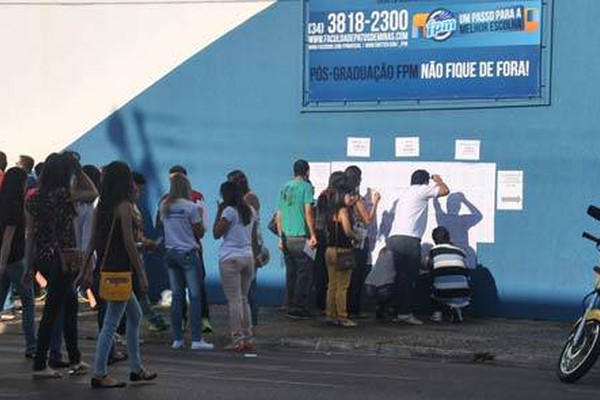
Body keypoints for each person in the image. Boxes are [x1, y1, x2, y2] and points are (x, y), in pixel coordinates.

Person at [77, 161, 157, 388]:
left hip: (106, 271)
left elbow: (91, 242)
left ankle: (136, 368)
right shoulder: (124, 207)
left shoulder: (100, 207)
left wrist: (84, 271)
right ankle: (100, 373)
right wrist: (141, 274)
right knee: (111, 323)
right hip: (121, 272)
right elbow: (130, 244)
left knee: (135, 315)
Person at [25, 152, 97, 378]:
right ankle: (40, 364)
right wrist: (78, 169)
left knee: (69, 306)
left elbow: (30, 234)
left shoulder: (32, 198)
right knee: (52, 311)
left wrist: (29, 266)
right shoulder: (65, 194)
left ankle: (75, 358)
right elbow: (93, 192)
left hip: (42, 257)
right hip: (64, 258)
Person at [386, 170, 449, 325]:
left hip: (394, 238)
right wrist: (438, 180)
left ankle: (396, 311)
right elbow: (445, 191)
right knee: (409, 277)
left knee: (399, 277)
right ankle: (405, 313)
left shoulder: (407, 193)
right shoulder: (422, 189)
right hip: (408, 239)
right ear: (425, 181)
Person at [160, 173, 213, 351]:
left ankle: (177, 339)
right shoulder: (191, 207)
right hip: (188, 254)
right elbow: (200, 232)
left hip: (170, 253)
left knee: (177, 296)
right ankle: (197, 338)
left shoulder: (164, 206)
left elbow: (162, 226)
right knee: (195, 296)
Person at [213, 181, 258, 351]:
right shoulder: (251, 211)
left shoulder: (228, 211)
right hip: (248, 257)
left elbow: (216, 233)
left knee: (234, 301)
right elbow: (253, 237)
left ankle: (237, 339)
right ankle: (248, 337)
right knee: (244, 299)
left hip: (230, 258)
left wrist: (219, 211)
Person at [0, 167, 36, 357]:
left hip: (6, 261)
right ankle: (32, 346)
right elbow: (8, 238)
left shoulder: (3, 202)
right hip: (14, 261)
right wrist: (2, 264)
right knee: (28, 304)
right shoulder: (14, 206)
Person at [276, 159, 317, 319]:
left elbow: (278, 215)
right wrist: (313, 234)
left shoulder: (285, 187)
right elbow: (308, 212)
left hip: (286, 237)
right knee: (304, 273)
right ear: (307, 171)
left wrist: (280, 237)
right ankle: (299, 307)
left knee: (291, 272)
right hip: (302, 237)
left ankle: (288, 303)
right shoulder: (306, 187)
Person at [320, 180, 360, 327]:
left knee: (332, 285)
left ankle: (330, 315)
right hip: (343, 251)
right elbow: (348, 231)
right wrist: (357, 237)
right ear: (343, 196)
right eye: (349, 196)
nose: (351, 198)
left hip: (329, 250)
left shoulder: (330, 211)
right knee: (343, 286)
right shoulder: (343, 211)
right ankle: (342, 317)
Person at [132, 171, 168, 332]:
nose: (140, 194)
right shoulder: (129, 209)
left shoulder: (132, 207)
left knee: (139, 295)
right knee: (138, 293)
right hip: (133, 259)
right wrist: (148, 243)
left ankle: (154, 319)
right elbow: (132, 239)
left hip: (137, 257)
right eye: (138, 190)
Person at [344, 166, 381, 318]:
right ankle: (353, 309)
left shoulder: (343, 197)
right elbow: (367, 220)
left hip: (345, 240)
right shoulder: (357, 199)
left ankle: (343, 309)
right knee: (357, 277)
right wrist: (375, 203)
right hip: (358, 241)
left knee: (345, 278)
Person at [227, 169, 261, 327]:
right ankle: (245, 321)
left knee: (248, 288)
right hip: (244, 244)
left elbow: (250, 226)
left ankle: (251, 321)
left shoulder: (250, 199)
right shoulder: (239, 202)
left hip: (250, 244)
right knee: (241, 290)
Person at [427, 226, 471, 323]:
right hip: (464, 293)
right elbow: (466, 270)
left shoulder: (433, 251)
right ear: (449, 237)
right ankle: (456, 310)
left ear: (434, 240)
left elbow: (428, 266)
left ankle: (437, 314)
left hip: (442, 293)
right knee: (453, 278)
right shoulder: (460, 251)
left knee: (431, 280)